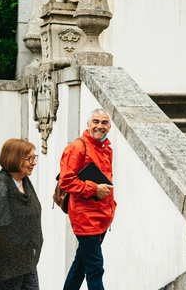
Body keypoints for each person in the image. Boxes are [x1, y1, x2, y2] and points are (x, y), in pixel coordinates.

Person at [0, 139, 43, 290]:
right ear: (15, 159)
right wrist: (15, 253)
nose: (34, 162)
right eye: (29, 158)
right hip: (5, 265)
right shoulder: (1, 186)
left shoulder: (25, 183)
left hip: (26, 261)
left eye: (34, 157)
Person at [60, 108, 116, 290]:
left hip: (102, 217)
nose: (100, 126)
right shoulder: (76, 147)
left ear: (109, 127)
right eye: (96, 122)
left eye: (104, 123)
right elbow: (66, 181)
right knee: (95, 269)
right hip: (86, 218)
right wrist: (94, 189)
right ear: (88, 124)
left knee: (81, 266)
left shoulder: (107, 150)